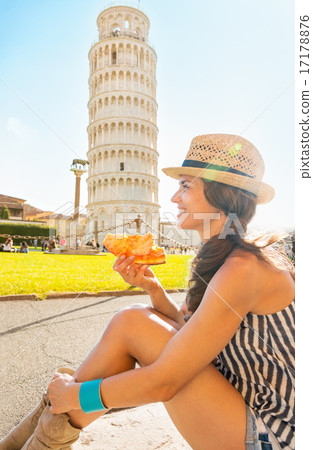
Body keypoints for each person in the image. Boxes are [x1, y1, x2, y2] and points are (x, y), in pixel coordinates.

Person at [0, 134, 295, 450]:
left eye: (185, 186)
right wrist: (154, 290)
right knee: (133, 321)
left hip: (271, 435)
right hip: (244, 410)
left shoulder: (243, 269)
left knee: (132, 324)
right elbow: (190, 334)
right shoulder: (226, 255)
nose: (173, 198)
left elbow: (165, 382)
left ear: (220, 195)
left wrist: (74, 395)